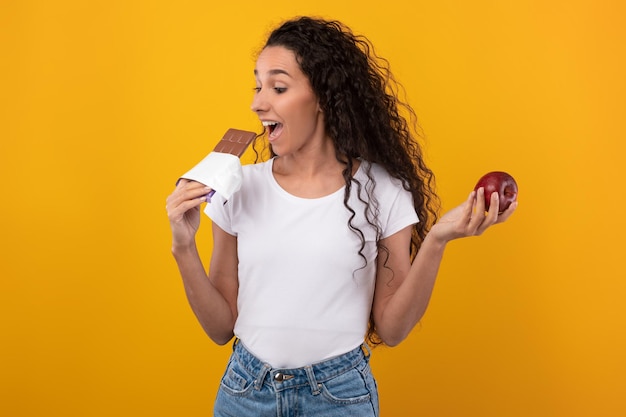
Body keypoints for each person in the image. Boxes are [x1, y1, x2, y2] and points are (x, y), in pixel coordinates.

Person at [165, 16, 516, 417]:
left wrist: (437, 239)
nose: (258, 102)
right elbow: (219, 328)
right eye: (258, 86)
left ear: (322, 95)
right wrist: (183, 247)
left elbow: (393, 328)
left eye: (278, 87)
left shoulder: (382, 190)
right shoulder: (237, 187)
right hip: (246, 393)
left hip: (339, 397)